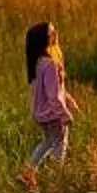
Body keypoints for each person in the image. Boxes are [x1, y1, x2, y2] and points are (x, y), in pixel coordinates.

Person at [22, 20, 74, 184]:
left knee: (48, 142)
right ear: (44, 39)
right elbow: (53, 95)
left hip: (41, 113)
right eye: (51, 32)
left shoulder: (38, 62)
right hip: (53, 114)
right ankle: (56, 180)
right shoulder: (50, 64)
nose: (55, 33)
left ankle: (29, 172)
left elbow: (51, 89)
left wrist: (68, 98)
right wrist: (64, 114)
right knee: (60, 144)